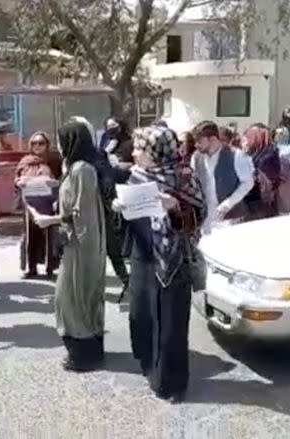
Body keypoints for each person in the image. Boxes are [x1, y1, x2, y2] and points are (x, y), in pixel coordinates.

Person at [117, 126, 205, 403]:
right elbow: (127, 222)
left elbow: (198, 217)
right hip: (143, 257)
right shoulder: (135, 177)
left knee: (171, 325)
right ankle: (148, 366)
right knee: (142, 315)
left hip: (174, 261)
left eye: (140, 149)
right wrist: (119, 210)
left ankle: (172, 383)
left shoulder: (183, 178)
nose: (133, 152)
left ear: (157, 152)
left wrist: (176, 207)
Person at [31, 122, 106, 372]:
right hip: (76, 240)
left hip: (81, 242)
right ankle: (89, 351)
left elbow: (82, 212)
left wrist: (50, 220)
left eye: (62, 140)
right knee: (80, 297)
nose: (59, 146)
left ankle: (83, 354)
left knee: (72, 298)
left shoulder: (82, 169)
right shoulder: (74, 168)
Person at [70, 115, 131, 298]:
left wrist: (108, 198)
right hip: (79, 211)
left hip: (100, 208)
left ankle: (128, 283)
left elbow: (108, 178)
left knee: (111, 248)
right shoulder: (70, 157)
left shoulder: (97, 155)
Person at [190, 121, 254, 232]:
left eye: (199, 141)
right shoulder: (196, 158)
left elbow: (248, 183)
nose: (196, 145)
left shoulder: (236, 156)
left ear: (213, 139)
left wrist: (228, 203)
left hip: (231, 218)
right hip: (206, 218)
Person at [15, 132, 61, 279]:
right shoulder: (25, 161)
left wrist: (56, 184)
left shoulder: (54, 161)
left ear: (47, 144)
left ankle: (49, 268)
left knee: (48, 236)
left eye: (41, 143)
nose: (37, 146)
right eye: (34, 143)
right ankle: (31, 268)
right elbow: (16, 178)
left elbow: (63, 179)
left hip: (48, 202)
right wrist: (19, 183)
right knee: (30, 236)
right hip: (29, 204)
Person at [241, 125, 281, 221]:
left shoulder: (268, 156)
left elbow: (266, 182)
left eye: (248, 138)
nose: (245, 142)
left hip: (260, 206)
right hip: (249, 204)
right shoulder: (254, 153)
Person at [274, 127, 290, 215]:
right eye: (278, 134)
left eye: (282, 134)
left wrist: (285, 162)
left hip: (286, 180)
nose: (279, 136)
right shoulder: (273, 147)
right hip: (274, 178)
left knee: (285, 203)